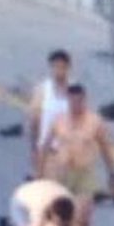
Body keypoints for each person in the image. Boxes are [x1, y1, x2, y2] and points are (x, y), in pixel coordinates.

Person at [41, 84, 114, 226]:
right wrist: (42, 174)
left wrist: (113, 174)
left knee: (81, 219)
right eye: (72, 101)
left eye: (79, 100)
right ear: (68, 101)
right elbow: (46, 147)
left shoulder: (94, 122)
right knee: (64, 221)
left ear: (84, 100)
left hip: (85, 174)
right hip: (62, 174)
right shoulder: (59, 121)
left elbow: (106, 149)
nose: (76, 104)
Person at [28, 50, 75, 179]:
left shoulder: (75, 90)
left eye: (62, 67)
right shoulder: (42, 90)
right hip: (47, 152)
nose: (59, 71)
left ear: (68, 68)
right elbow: (34, 121)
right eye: (55, 67)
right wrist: (34, 149)